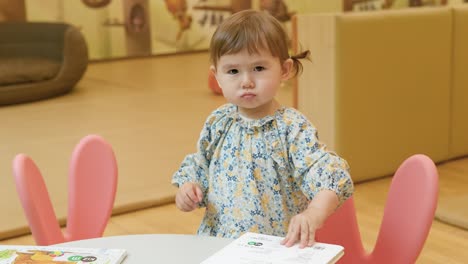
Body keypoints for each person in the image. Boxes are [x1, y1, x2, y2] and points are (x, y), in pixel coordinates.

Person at [172, 9, 354, 249]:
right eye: (233, 71)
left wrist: (313, 214)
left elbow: (329, 176)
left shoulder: (291, 128)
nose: (246, 81)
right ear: (217, 76)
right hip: (219, 245)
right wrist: (188, 189)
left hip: (275, 248)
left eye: (258, 68)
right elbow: (200, 166)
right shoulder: (218, 122)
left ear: (285, 70)